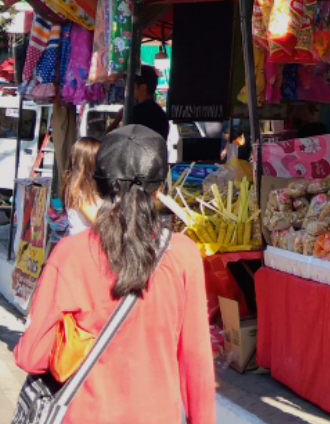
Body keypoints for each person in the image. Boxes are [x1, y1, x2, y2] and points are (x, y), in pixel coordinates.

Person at [14, 125, 214, 424]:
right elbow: (196, 360)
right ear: (160, 187)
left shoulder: (71, 253)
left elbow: (30, 356)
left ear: (99, 185)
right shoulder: (183, 253)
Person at [61, 136, 102, 235]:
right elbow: (99, 222)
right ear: (90, 162)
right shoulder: (78, 191)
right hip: (84, 246)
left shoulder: (86, 187)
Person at [127, 65, 169, 141]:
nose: (130, 89)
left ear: (143, 87)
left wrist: (118, 119)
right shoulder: (161, 113)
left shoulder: (136, 111)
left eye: (133, 85)